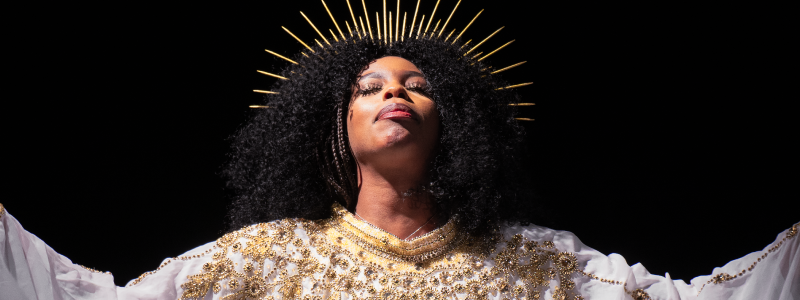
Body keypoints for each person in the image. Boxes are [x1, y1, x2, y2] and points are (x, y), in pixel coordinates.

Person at [2, 2, 797, 299]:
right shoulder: (264, 262)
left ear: (452, 124)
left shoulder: (539, 267)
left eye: (419, 85)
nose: (394, 93)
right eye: (369, 85)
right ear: (332, 124)